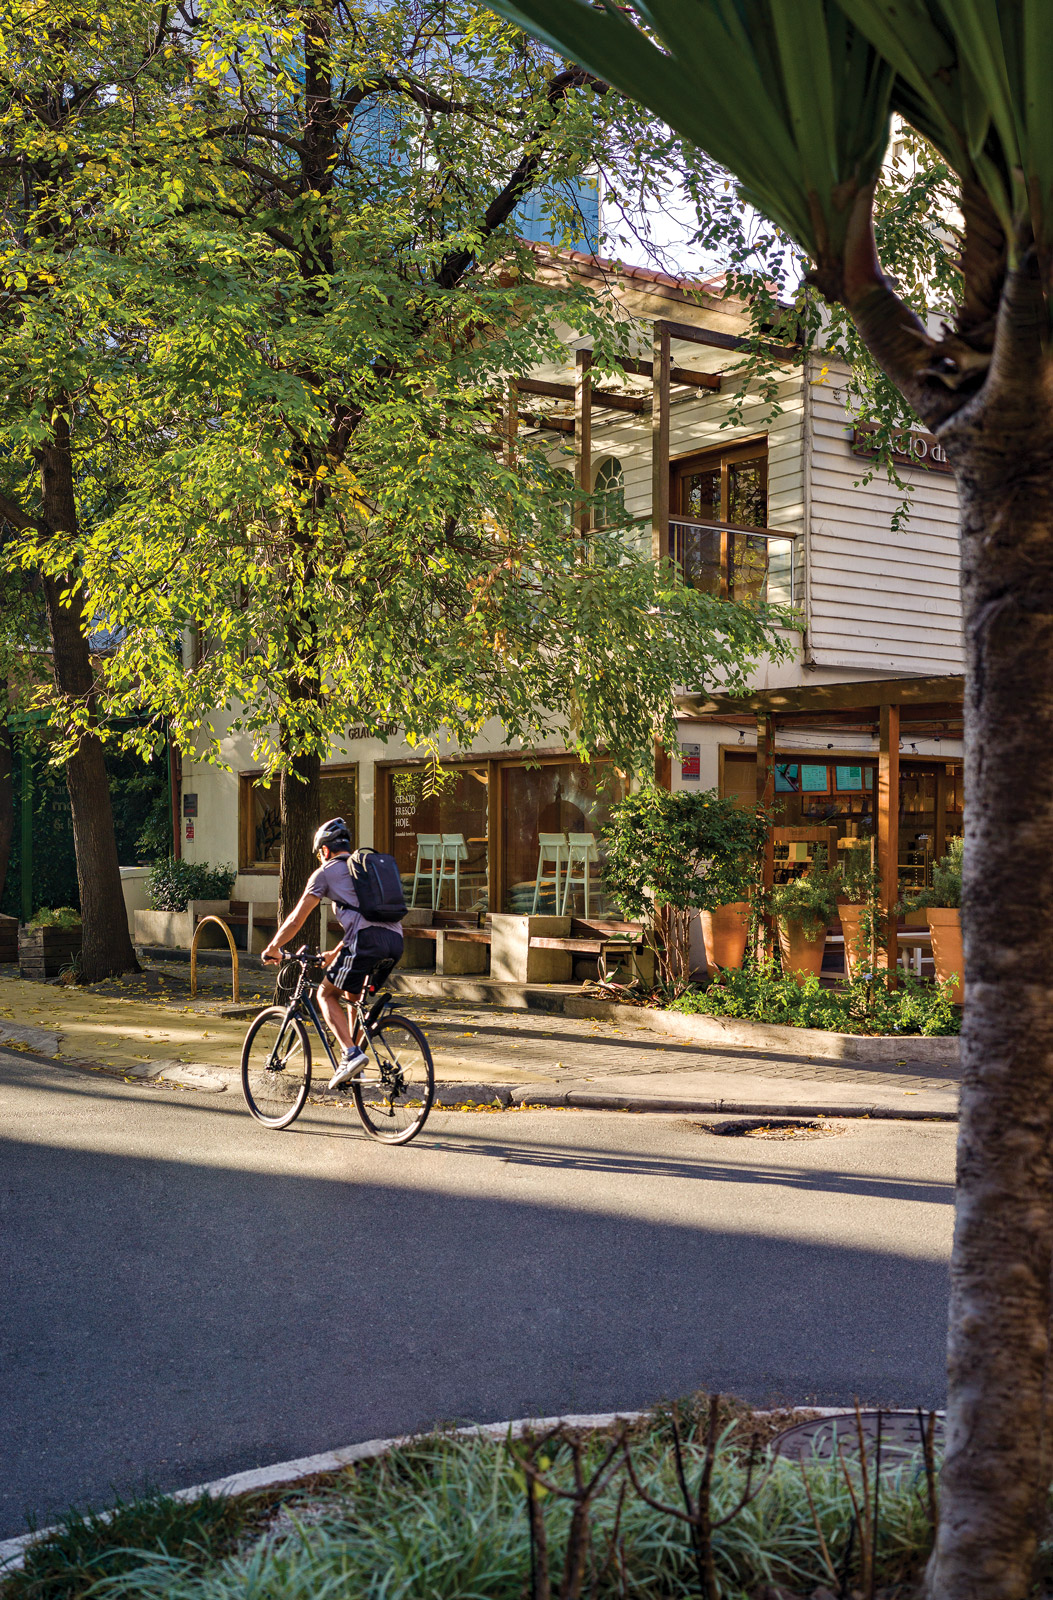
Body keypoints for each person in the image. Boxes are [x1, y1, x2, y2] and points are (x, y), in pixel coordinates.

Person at [261, 817, 404, 1089]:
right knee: (353, 998)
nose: (319, 858)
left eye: (319, 854)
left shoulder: (326, 872)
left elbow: (296, 919)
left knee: (325, 994)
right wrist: (336, 952)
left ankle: (351, 1055)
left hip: (366, 942)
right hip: (395, 940)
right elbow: (366, 917)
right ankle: (357, 1065)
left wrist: (274, 947)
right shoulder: (364, 870)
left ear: (325, 850)